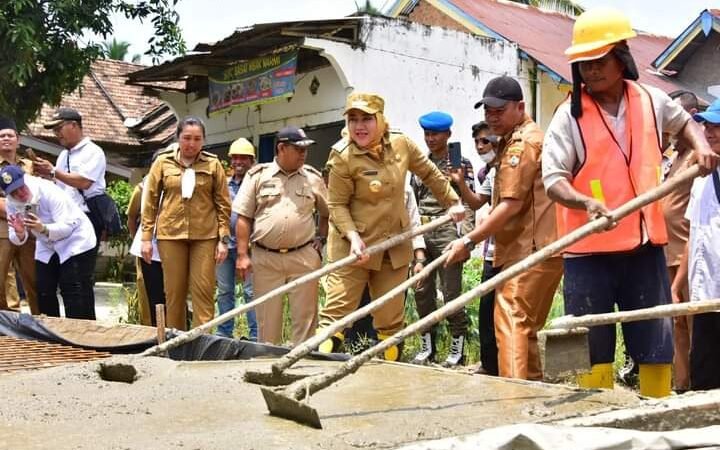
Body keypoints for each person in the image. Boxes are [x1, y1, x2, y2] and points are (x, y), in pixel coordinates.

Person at [542, 8, 718, 397]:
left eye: (599, 61)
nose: (591, 71)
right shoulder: (568, 116)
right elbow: (553, 180)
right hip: (589, 251)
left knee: (656, 341)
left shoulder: (651, 101)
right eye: (583, 64)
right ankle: (591, 417)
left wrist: (701, 145)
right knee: (588, 346)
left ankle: (655, 411)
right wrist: (586, 202)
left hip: (644, 248)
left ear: (621, 55)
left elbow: (685, 123)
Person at [318, 92, 465, 361]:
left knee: (390, 318)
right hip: (354, 246)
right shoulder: (342, 155)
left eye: (366, 119)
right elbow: (336, 205)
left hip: (392, 245)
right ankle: (318, 375)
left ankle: (389, 377)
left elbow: (430, 173)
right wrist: (352, 237)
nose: (359, 126)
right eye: (353, 119)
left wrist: (453, 201)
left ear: (381, 119)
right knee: (337, 315)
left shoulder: (401, 143)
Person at [446, 76, 562, 381]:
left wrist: (468, 241)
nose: (491, 117)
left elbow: (509, 205)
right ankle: (530, 395)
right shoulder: (517, 140)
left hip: (531, 249)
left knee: (510, 317)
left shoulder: (521, 146)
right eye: (487, 111)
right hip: (537, 248)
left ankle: (511, 401)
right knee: (525, 327)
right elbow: (483, 201)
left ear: (520, 107)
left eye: (499, 110)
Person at [233, 126, 328, 345]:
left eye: (305, 149)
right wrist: (242, 255)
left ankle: (302, 365)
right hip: (266, 259)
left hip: (303, 256)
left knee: (305, 320)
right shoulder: (257, 176)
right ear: (281, 148)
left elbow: (327, 213)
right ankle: (267, 367)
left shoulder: (312, 178)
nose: (304, 154)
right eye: (298, 149)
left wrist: (321, 240)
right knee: (267, 323)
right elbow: (244, 218)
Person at [141, 117, 231, 331]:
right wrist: (146, 238)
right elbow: (151, 200)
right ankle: (176, 343)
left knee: (204, 291)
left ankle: (202, 343)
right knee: (174, 293)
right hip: (170, 235)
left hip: (205, 236)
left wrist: (223, 240)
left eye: (197, 139)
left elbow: (223, 205)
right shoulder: (162, 163)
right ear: (178, 138)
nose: (191, 144)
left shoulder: (213, 164)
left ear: (204, 141)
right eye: (187, 138)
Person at [409, 111, 473, 367]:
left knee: (451, 294)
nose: (430, 138)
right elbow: (412, 201)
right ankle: (428, 347)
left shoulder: (459, 164)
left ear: (448, 135)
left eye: (435, 134)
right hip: (423, 232)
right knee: (421, 290)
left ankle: (457, 350)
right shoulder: (419, 164)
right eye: (427, 134)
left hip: (448, 230)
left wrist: (467, 239)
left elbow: (468, 202)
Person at [1, 166, 96, 319]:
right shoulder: (12, 202)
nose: (20, 193)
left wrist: (43, 228)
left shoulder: (48, 191)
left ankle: (81, 335)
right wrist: (20, 233)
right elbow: (16, 237)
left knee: (73, 288)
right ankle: (51, 333)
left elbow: (67, 226)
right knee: (43, 289)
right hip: (46, 244)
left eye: (20, 187)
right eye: (13, 192)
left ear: (25, 179)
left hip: (75, 240)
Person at [672, 98, 720, 390]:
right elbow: (694, 233)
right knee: (703, 373)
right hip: (704, 295)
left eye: (717, 127)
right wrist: (678, 284)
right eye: (707, 127)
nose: (709, 133)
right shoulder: (700, 180)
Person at [450, 121, 500, 375]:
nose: (481, 147)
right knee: (486, 313)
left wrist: (469, 241)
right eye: (477, 142)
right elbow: (477, 203)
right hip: (492, 252)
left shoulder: (511, 167)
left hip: (515, 251)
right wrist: (460, 183)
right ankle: (490, 366)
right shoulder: (488, 174)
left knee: (508, 316)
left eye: (486, 141)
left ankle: (510, 369)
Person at [33, 108, 108, 244]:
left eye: (59, 128)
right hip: (65, 215)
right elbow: (61, 184)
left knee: (81, 262)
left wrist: (53, 171)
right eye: (54, 130)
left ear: (74, 125)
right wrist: (46, 175)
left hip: (87, 214)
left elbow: (84, 182)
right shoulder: (64, 155)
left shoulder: (93, 151)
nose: (57, 133)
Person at [215, 137, 257, 340]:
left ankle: (256, 335)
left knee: (251, 293)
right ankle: (224, 334)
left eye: (244, 158)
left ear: (252, 160)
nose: (239, 162)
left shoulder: (258, 184)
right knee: (224, 292)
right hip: (225, 246)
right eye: (235, 158)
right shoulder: (224, 185)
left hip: (250, 249)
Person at [0, 117, 38, 314]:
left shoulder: (29, 166)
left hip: (30, 229)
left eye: (10, 135)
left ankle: (40, 319)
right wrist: (16, 212)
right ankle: (9, 324)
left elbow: (37, 194)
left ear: (18, 139)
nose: (6, 139)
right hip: (3, 229)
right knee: (4, 279)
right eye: (2, 136)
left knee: (34, 277)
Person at [127, 148, 169, 327]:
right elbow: (131, 215)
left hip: (172, 248)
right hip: (148, 249)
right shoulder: (142, 187)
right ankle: (152, 331)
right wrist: (137, 238)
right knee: (149, 293)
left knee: (171, 294)